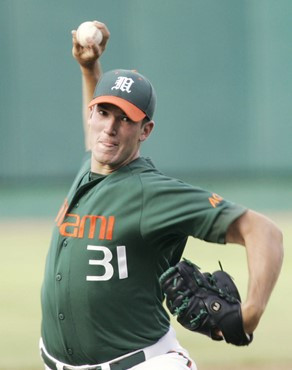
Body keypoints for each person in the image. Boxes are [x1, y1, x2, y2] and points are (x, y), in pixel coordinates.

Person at [40, 21, 283, 370]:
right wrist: (89, 68)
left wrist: (251, 313)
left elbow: (264, 232)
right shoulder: (90, 166)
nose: (109, 128)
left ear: (145, 130)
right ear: (91, 114)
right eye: (103, 113)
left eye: (125, 120)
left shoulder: (150, 192)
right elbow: (99, 135)